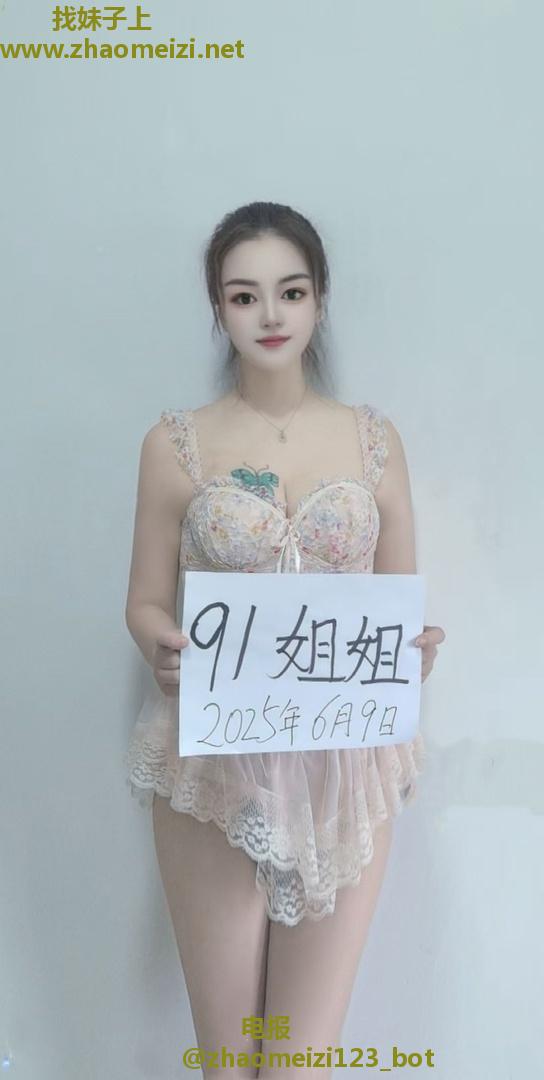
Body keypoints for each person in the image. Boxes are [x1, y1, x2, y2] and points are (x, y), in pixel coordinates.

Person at [124, 201, 445, 1079]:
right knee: (230, 1062)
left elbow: (399, 594)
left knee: (301, 1064)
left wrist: (415, 648)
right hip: (215, 759)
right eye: (244, 296)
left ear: (319, 299)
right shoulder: (175, 444)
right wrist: (162, 644)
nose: (270, 315)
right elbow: (145, 599)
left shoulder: (375, 441)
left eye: (290, 292)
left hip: (346, 762)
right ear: (218, 309)